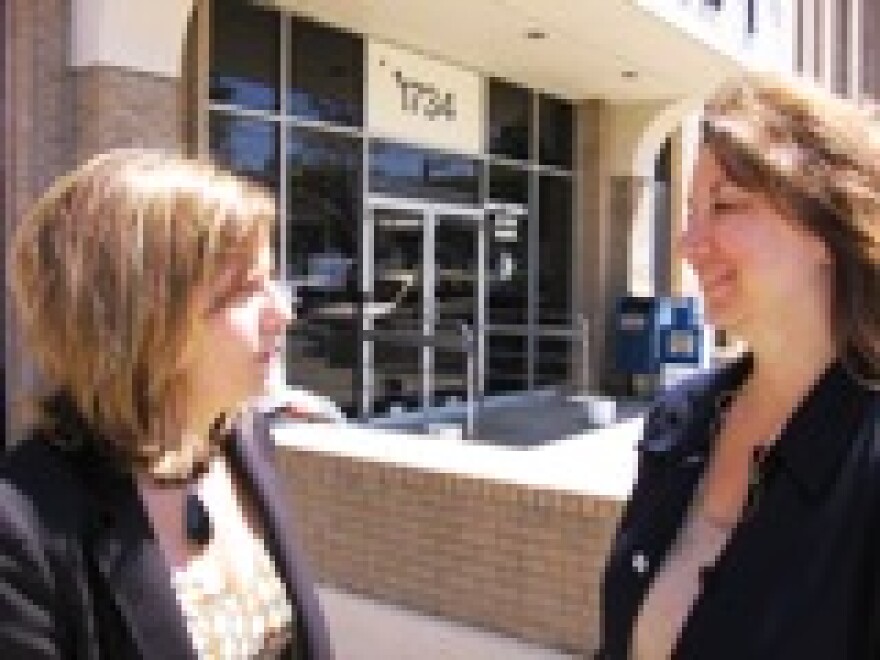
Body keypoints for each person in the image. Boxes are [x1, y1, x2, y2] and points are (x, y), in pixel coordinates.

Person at [0, 150, 334, 659]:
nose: (283, 312)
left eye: (273, 279)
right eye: (247, 290)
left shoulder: (243, 441)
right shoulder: (24, 529)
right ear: (143, 320)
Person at [596, 74, 880, 659]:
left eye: (724, 206)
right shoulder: (680, 421)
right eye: (691, 210)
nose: (688, 242)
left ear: (824, 229)